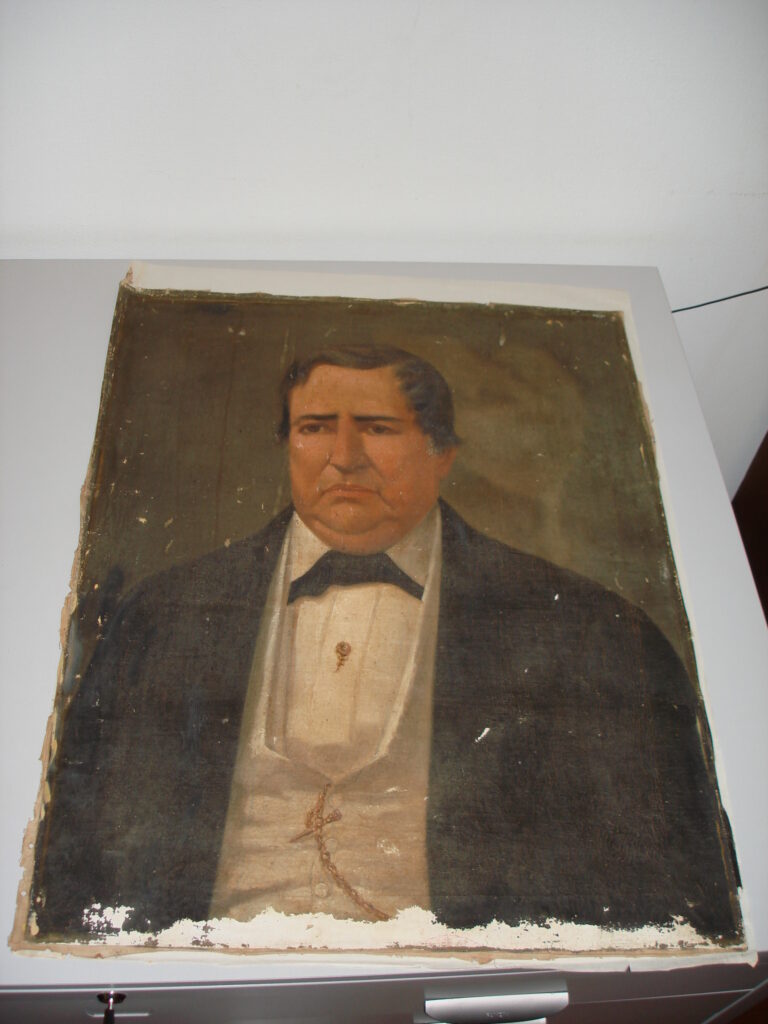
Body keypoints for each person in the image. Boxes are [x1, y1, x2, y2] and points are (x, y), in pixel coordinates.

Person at [31, 345, 740, 942]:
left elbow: (670, 888)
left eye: (377, 429)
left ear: (443, 454)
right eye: (315, 428)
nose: (344, 458)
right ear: (287, 445)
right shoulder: (162, 615)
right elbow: (73, 858)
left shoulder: (587, 631)